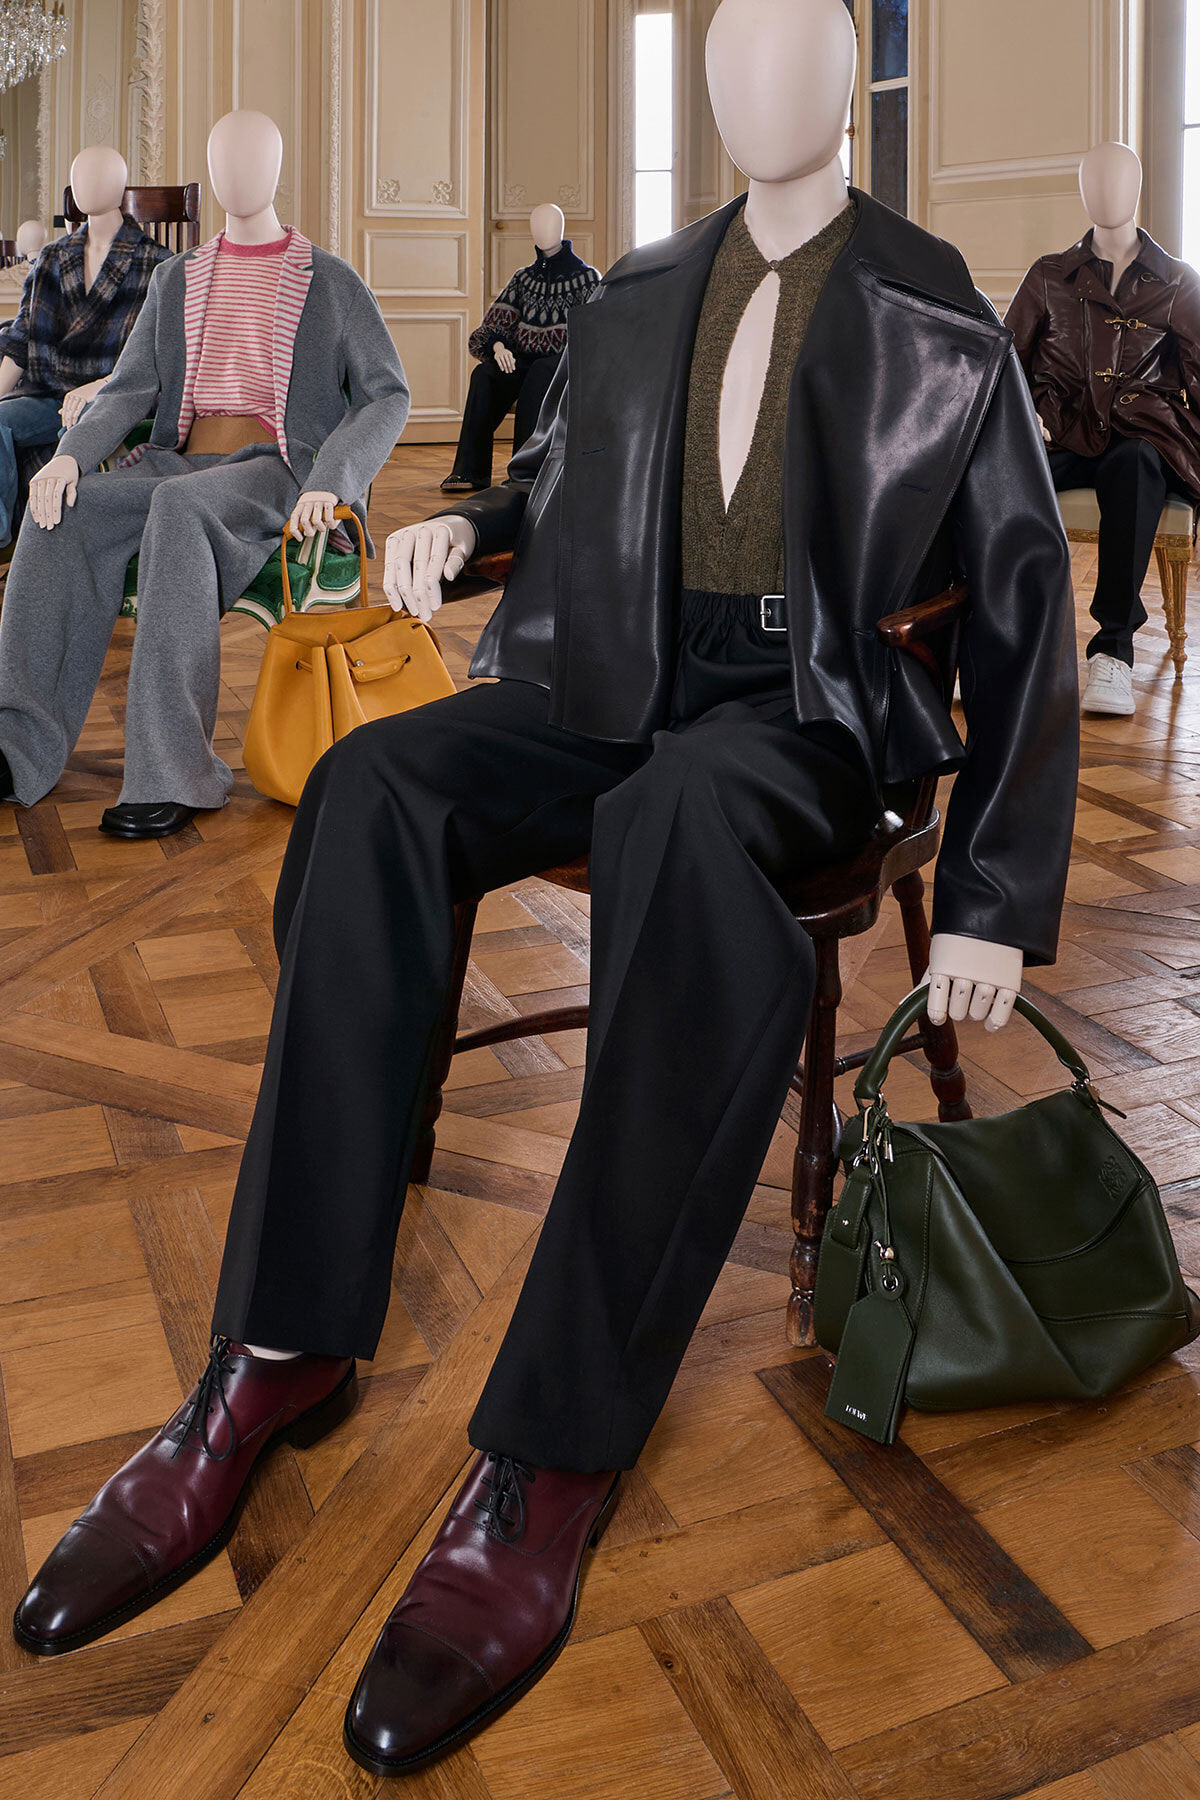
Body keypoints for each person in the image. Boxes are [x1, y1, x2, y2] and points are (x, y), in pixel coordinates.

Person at [13, 0, 1078, 1780]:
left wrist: (989, 888)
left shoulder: (933, 301)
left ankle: (552, 1457)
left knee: (679, 819)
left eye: (793, 52)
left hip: (804, 714)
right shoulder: (652, 281)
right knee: (374, 785)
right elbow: (576, 479)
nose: (754, 82)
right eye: (728, 55)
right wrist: (469, 530)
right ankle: (273, 1347)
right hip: (620, 676)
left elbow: (1027, 590)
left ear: (847, 90)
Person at [0, 110, 409, 841]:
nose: (234, 173)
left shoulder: (333, 281)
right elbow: (130, 388)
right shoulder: (177, 278)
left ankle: (173, 774)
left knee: (180, 510)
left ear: (278, 169)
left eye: (250, 158)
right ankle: (16, 749)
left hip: (276, 468)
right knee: (55, 512)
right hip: (176, 459)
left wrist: (334, 479)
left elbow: (387, 395)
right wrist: (69, 458)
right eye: (222, 159)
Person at [1007, 141, 1200, 717]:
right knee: (992, 477)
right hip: (1059, 429)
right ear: (1082, 190)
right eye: (1093, 180)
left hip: (1139, 434)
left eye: (1116, 180)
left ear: (1137, 188)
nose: (1104, 192)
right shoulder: (1049, 275)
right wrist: (1024, 415)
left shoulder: (1177, 282)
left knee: (1138, 466)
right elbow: (1003, 358)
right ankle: (993, 643)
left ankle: (1112, 654)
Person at [0, 149, 170, 548]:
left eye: (100, 175)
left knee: (76, 432)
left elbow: (155, 360)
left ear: (121, 185)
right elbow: (20, 345)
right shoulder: (50, 259)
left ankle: (58, 549)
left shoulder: (157, 265)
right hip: (47, 395)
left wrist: (98, 388)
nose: (88, 185)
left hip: (111, 398)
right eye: (80, 176)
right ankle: (5, 545)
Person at [440, 202, 599, 492]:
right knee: (484, 375)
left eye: (549, 224)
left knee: (539, 373)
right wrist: (498, 346)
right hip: (522, 359)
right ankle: (469, 472)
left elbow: (597, 332)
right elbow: (494, 323)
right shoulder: (523, 278)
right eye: (536, 224)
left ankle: (524, 471)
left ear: (561, 229)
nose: (542, 231)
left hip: (563, 363)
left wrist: (567, 355)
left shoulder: (586, 278)